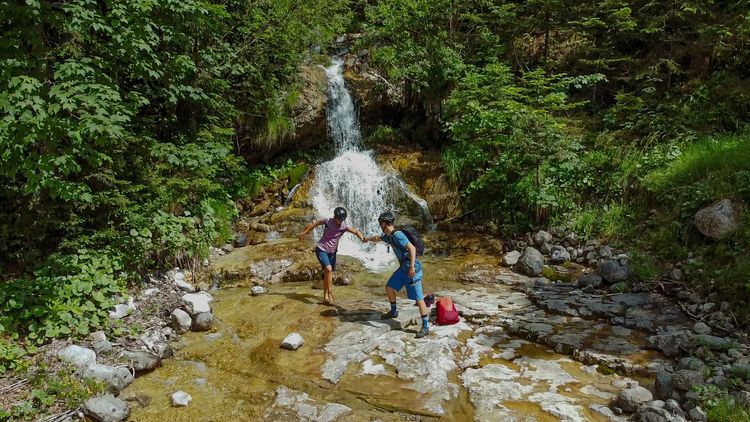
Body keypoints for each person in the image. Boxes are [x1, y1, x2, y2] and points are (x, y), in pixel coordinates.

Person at [364, 211, 429, 339]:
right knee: (389, 287)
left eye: (380, 223)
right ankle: (393, 311)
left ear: (384, 223)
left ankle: (425, 326)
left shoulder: (398, 235)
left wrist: (411, 267)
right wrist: (367, 239)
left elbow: (412, 248)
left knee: (419, 298)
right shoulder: (389, 236)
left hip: (412, 269)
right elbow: (378, 238)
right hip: (403, 269)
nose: (380, 225)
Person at [298, 207, 365, 303]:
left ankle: (326, 296)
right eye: (338, 219)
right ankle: (329, 293)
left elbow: (355, 231)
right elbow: (316, 223)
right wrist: (304, 232)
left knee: (328, 273)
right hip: (321, 249)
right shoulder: (328, 221)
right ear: (335, 216)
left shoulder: (344, 226)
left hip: (332, 253)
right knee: (328, 269)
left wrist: (362, 237)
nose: (339, 221)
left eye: (342, 219)